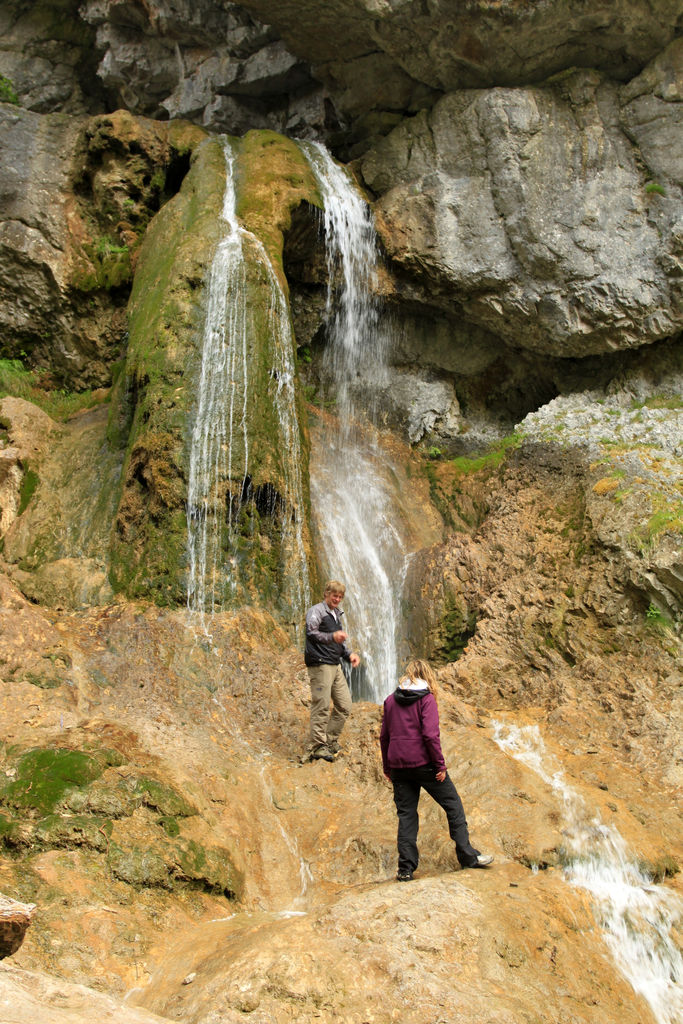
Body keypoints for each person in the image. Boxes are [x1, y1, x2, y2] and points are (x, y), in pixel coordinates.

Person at [380, 658, 493, 881]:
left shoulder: (390, 700)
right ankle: (467, 855)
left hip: (399, 767)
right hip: (424, 764)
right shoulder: (427, 699)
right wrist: (439, 765)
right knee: (453, 804)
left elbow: (384, 737)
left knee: (406, 816)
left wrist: (387, 766)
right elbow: (430, 735)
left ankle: (405, 869)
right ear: (427, 677)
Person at [304, 580, 361, 762]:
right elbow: (311, 632)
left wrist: (349, 655)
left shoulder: (336, 614)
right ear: (326, 594)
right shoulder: (317, 611)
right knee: (321, 706)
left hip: (335, 665)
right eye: (334, 595)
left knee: (344, 705)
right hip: (320, 665)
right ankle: (318, 746)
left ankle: (329, 740)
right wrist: (332, 636)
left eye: (340, 596)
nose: (337, 598)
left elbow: (339, 643)